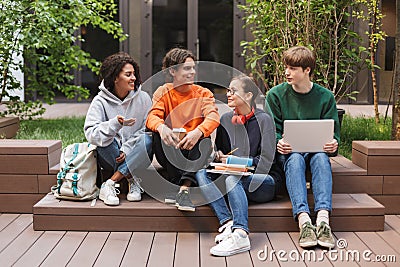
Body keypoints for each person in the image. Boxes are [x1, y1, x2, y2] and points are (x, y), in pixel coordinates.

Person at [195, 75, 284, 257]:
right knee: (201, 174)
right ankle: (228, 222)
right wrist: (218, 156)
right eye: (228, 90)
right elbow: (220, 152)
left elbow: (267, 162)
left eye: (233, 91)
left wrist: (236, 163)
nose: (228, 94)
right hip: (233, 178)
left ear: (249, 95)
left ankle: (241, 233)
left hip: (263, 182)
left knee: (233, 177)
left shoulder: (265, 120)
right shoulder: (226, 119)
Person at [266, 46, 340, 249]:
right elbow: (272, 130)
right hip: (289, 154)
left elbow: (334, 135)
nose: (287, 72)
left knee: (320, 157)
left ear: (307, 70)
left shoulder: (325, 97)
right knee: (296, 158)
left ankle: (323, 220)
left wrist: (333, 143)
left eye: (293, 68)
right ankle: (304, 221)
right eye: (286, 67)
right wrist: (278, 141)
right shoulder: (275, 95)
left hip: (316, 151)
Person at [146, 47, 220, 212]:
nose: (192, 72)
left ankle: (183, 189)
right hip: (171, 150)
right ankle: (179, 186)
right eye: (187, 68)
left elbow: (213, 117)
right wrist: (162, 128)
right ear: (173, 70)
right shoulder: (163, 91)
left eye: (193, 68)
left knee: (205, 141)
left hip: (193, 152)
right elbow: (152, 117)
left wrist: (198, 132)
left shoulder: (203, 93)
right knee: (158, 134)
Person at [84, 52, 153, 206]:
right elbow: (91, 133)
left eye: (134, 74)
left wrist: (127, 150)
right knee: (105, 141)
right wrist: (114, 124)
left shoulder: (144, 99)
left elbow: (147, 129)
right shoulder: (100, 101)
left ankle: (110, 183)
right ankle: (131, 178)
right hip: (110, 155)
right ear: (115, 78)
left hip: (136, 153)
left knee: (148, 139)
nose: (133, 78)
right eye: (128, 74)